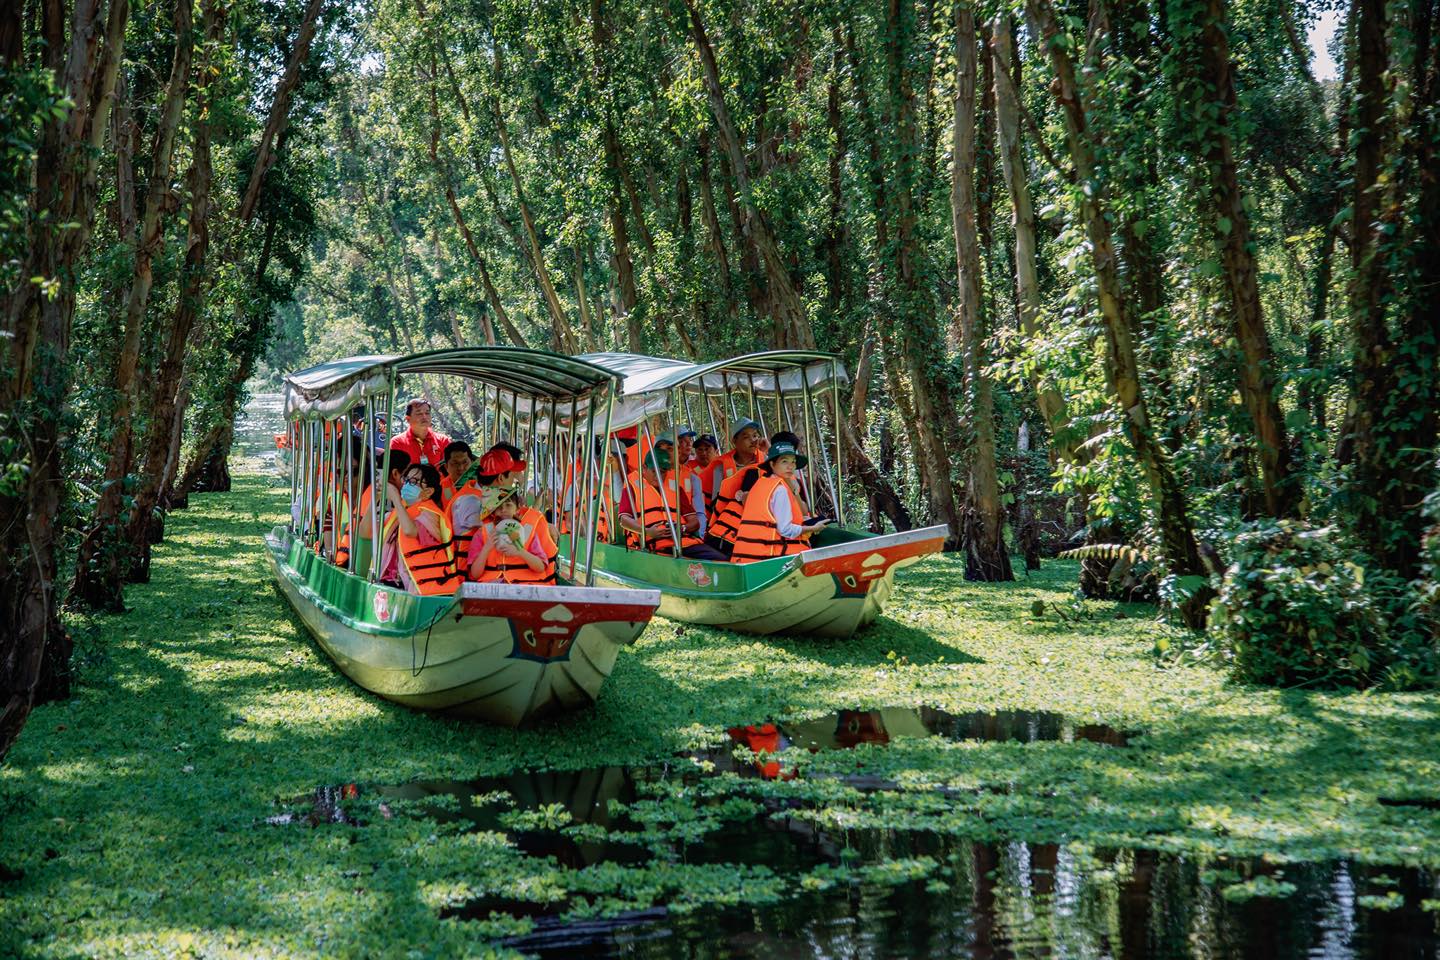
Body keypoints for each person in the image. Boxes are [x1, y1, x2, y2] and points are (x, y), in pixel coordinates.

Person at [619, 446, 728, 561]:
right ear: (644, 468)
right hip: (654, 546)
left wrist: (682, 528)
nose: (659, 476)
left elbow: (695, 522)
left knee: (723, 560)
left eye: (663, 472)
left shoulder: (675, 486)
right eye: (654, 471)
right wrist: (648, 531)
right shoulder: (632, 485)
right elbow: (624, 519)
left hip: (684, 542)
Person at [731, 440, 829, 563]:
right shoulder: (780, 489)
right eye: (784, 461)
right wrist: (812, 528)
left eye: (793, 462)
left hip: (746, 557)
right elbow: (785, 530)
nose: (791, 466)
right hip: (769, 559)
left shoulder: (761, 483)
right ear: (772, 464)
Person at [386, 462, 462, 595]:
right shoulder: (403, 511)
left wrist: (396, 499)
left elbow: (411, 531)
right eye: (407, 480)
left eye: (414, 482)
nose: (407, 485)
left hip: (430, 591)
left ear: (428, 491)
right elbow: (367, 533)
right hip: (404, 583)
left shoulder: (430, 514)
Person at [447, 445, 525, 561]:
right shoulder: (470, 502)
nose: (514, 482)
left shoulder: (486, 497)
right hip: (470, 575)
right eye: (512, 477)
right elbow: (501, 532)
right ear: (501, 479)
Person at [467, 487, 558, 585]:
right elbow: (475, 574)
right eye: (499, 507)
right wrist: (486, 548)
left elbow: (540, 567)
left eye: (508, 505)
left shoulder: (528, 531)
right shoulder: (482, 533)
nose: (503, 510)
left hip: (523, 587)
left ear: (517, 509)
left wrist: (520, 552)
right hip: (492, 587)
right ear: (492, 511)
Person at [345, 449, 410, 575]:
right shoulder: (385, 496)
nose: (409, 481)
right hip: (362, 561)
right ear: (396, 473)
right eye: (407, 477)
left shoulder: (374, 488)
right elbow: (367, 533)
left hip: (351, 554)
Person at [706, 421, 766, 556]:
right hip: (731, 521)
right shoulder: (721, 467)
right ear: (735, 441)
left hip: (761, 519)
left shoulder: (767, 461)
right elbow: (716, 501)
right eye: (746, 437)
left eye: (755, 435)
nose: (753, 440)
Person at [389, 397, 451, 468]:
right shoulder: (397, 443)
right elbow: (395, 474)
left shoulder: (443, 441)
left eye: (427, 413)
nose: (424, 417)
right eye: (419, 413)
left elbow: (450, 472)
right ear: (408, 419)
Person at [439, 440, 473, 508]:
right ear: (446, 467)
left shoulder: (482, 484)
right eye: (455, 463)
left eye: (465, 462)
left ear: (472, 463)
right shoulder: (439, 488)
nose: (461, 468)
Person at [693, 433, 721, 506]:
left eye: (707, 449)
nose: (703, 453)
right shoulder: (687, 468)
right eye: (700, 449)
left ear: (716, 451)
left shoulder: (722, 468)